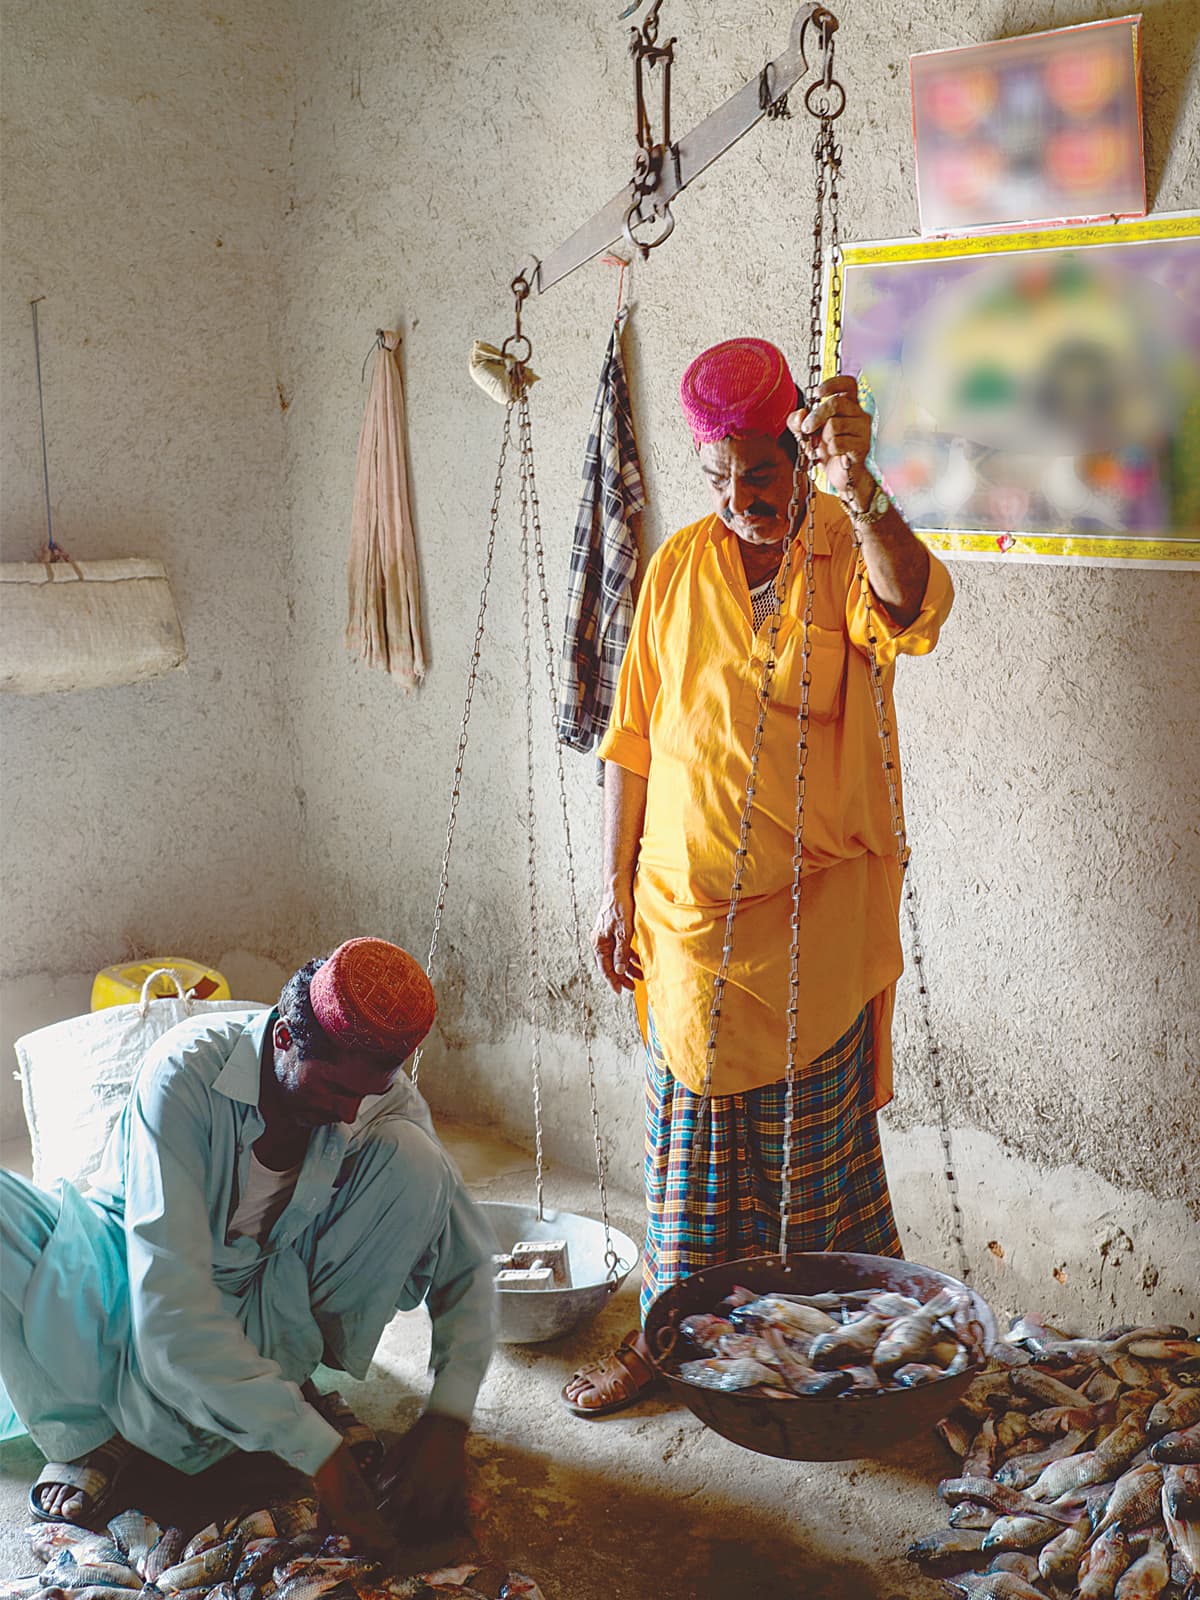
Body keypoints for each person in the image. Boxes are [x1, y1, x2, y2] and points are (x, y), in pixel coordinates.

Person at [561, 338, 955, 1417]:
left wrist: (861, 489)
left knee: (808, 1165)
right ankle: (666, 1334)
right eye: (722, 478)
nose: (742, 499)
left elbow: (915, 610)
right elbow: (631, 741)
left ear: (797, 455)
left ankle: (844, 1345)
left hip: (808, 926)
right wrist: (611, 886)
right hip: (684, 920)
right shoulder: (680, 566)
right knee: (686, 1165)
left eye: (762, 475)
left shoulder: (840, 545)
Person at [0, 937, 496, 1554]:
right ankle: (98, 1432)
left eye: (365, 1095)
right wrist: (320, 1454)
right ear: (284, 1039)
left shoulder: (370, 1096)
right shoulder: (182, 1073)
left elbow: (468, 1256)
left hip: (270, 1293)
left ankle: (284, 1383)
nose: (347, 1114)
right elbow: (170, 1311)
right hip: (125, 1281)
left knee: (420, 1163)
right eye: (333, 1092)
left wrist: (449, 1416)